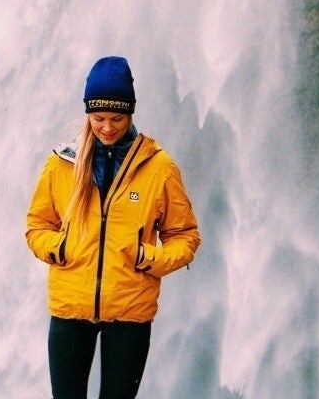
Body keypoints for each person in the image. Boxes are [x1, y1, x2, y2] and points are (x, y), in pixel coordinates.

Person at [26, 56, 201, 399]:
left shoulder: (159, 167)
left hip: (130, 311)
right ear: (88, 114)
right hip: (70, 307)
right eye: (98, 118)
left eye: (117, 118)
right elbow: (36, 225)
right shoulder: (61, 163)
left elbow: (185, 236)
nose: (107, 127)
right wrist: (59, 248)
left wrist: (147, 257)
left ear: (131, 113)